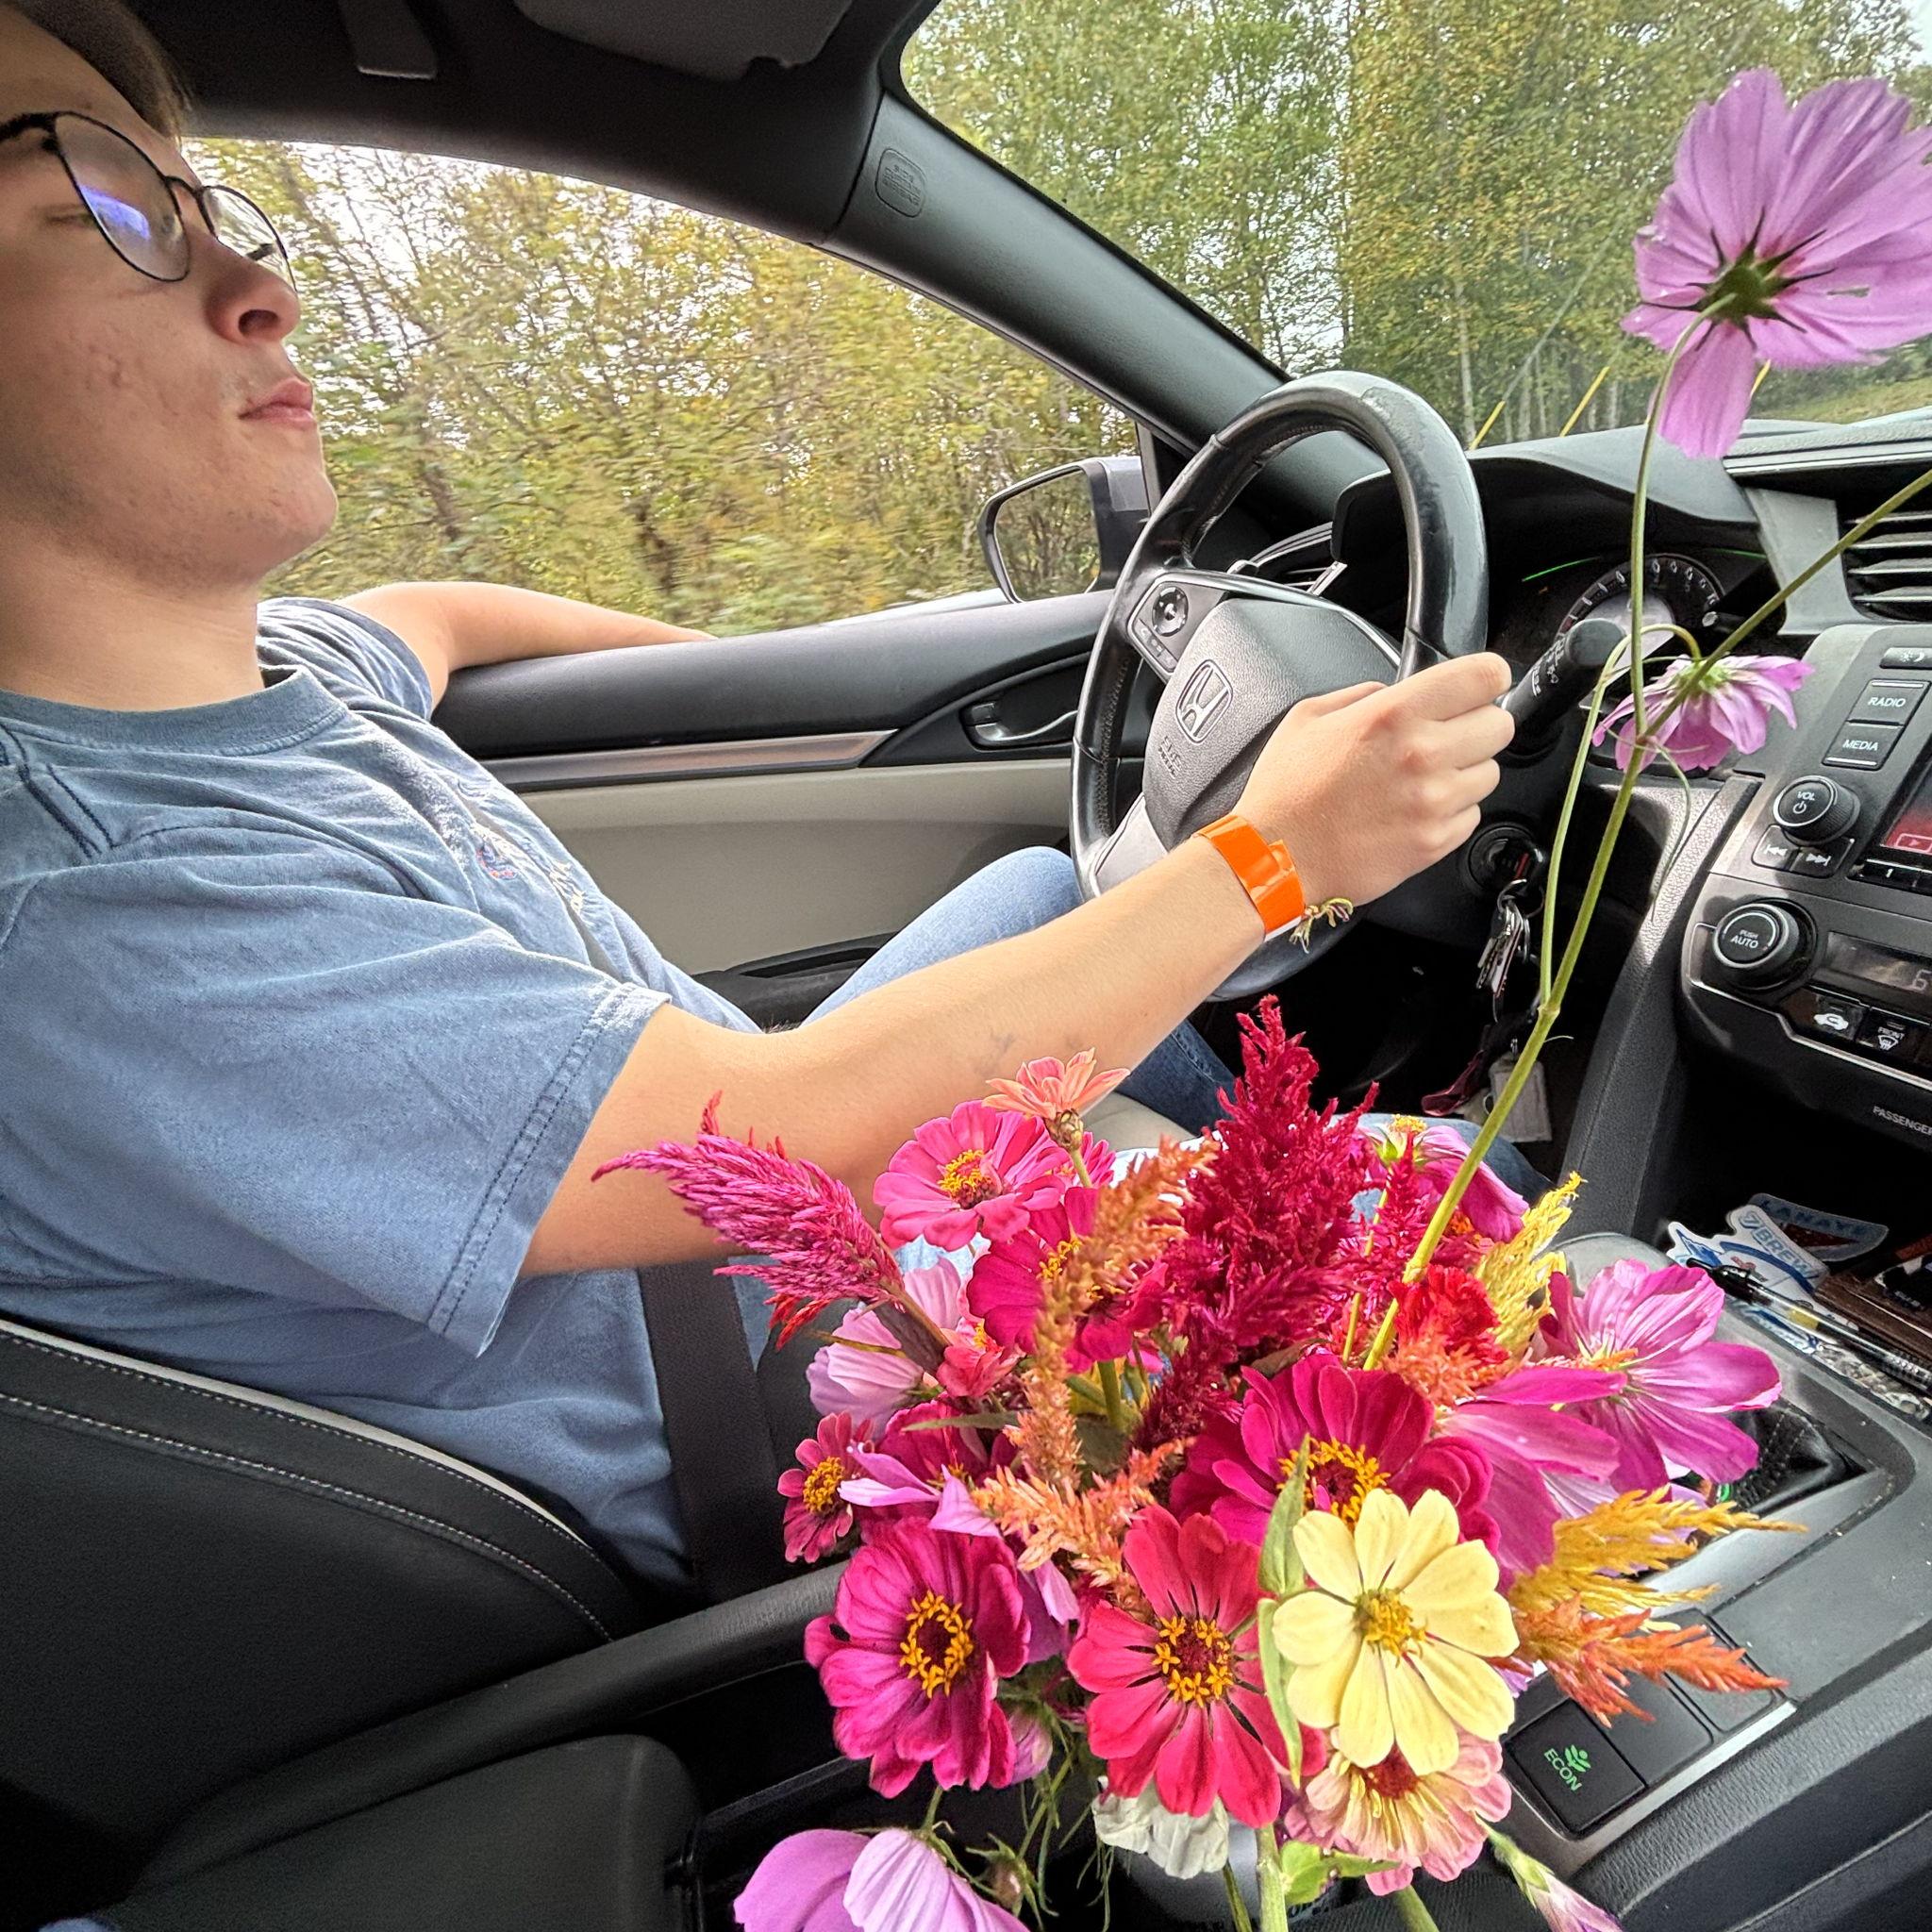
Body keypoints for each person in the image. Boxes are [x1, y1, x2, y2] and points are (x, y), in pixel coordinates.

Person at [0, 0, 1516, 1587]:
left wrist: (720, 662)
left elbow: (436, 614)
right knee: (1466, 1237)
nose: (265, 291)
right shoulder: (98, 916)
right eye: (101, 207)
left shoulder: (272, 673)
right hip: (784, 1430)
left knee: (1050, 896)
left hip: (745, 1264)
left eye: (195, 209)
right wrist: (1280, 858)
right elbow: (805, 1144)